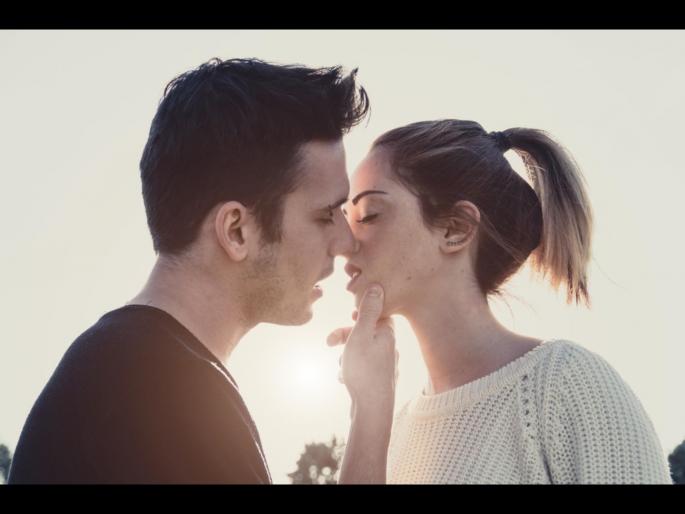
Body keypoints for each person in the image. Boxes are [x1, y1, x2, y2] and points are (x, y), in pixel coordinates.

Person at [8, 57, 392, 484]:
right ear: (236, 230)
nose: (346, 242)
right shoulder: (162, 393)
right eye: (325, 215)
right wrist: (372, 411)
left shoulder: (128, 370)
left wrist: (368, 406)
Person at [328, 119, 673, 484]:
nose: (344, 243)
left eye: (369, 215)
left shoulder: (566, 385)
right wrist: (368, 410)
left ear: (456, 228)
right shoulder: (394, 432)